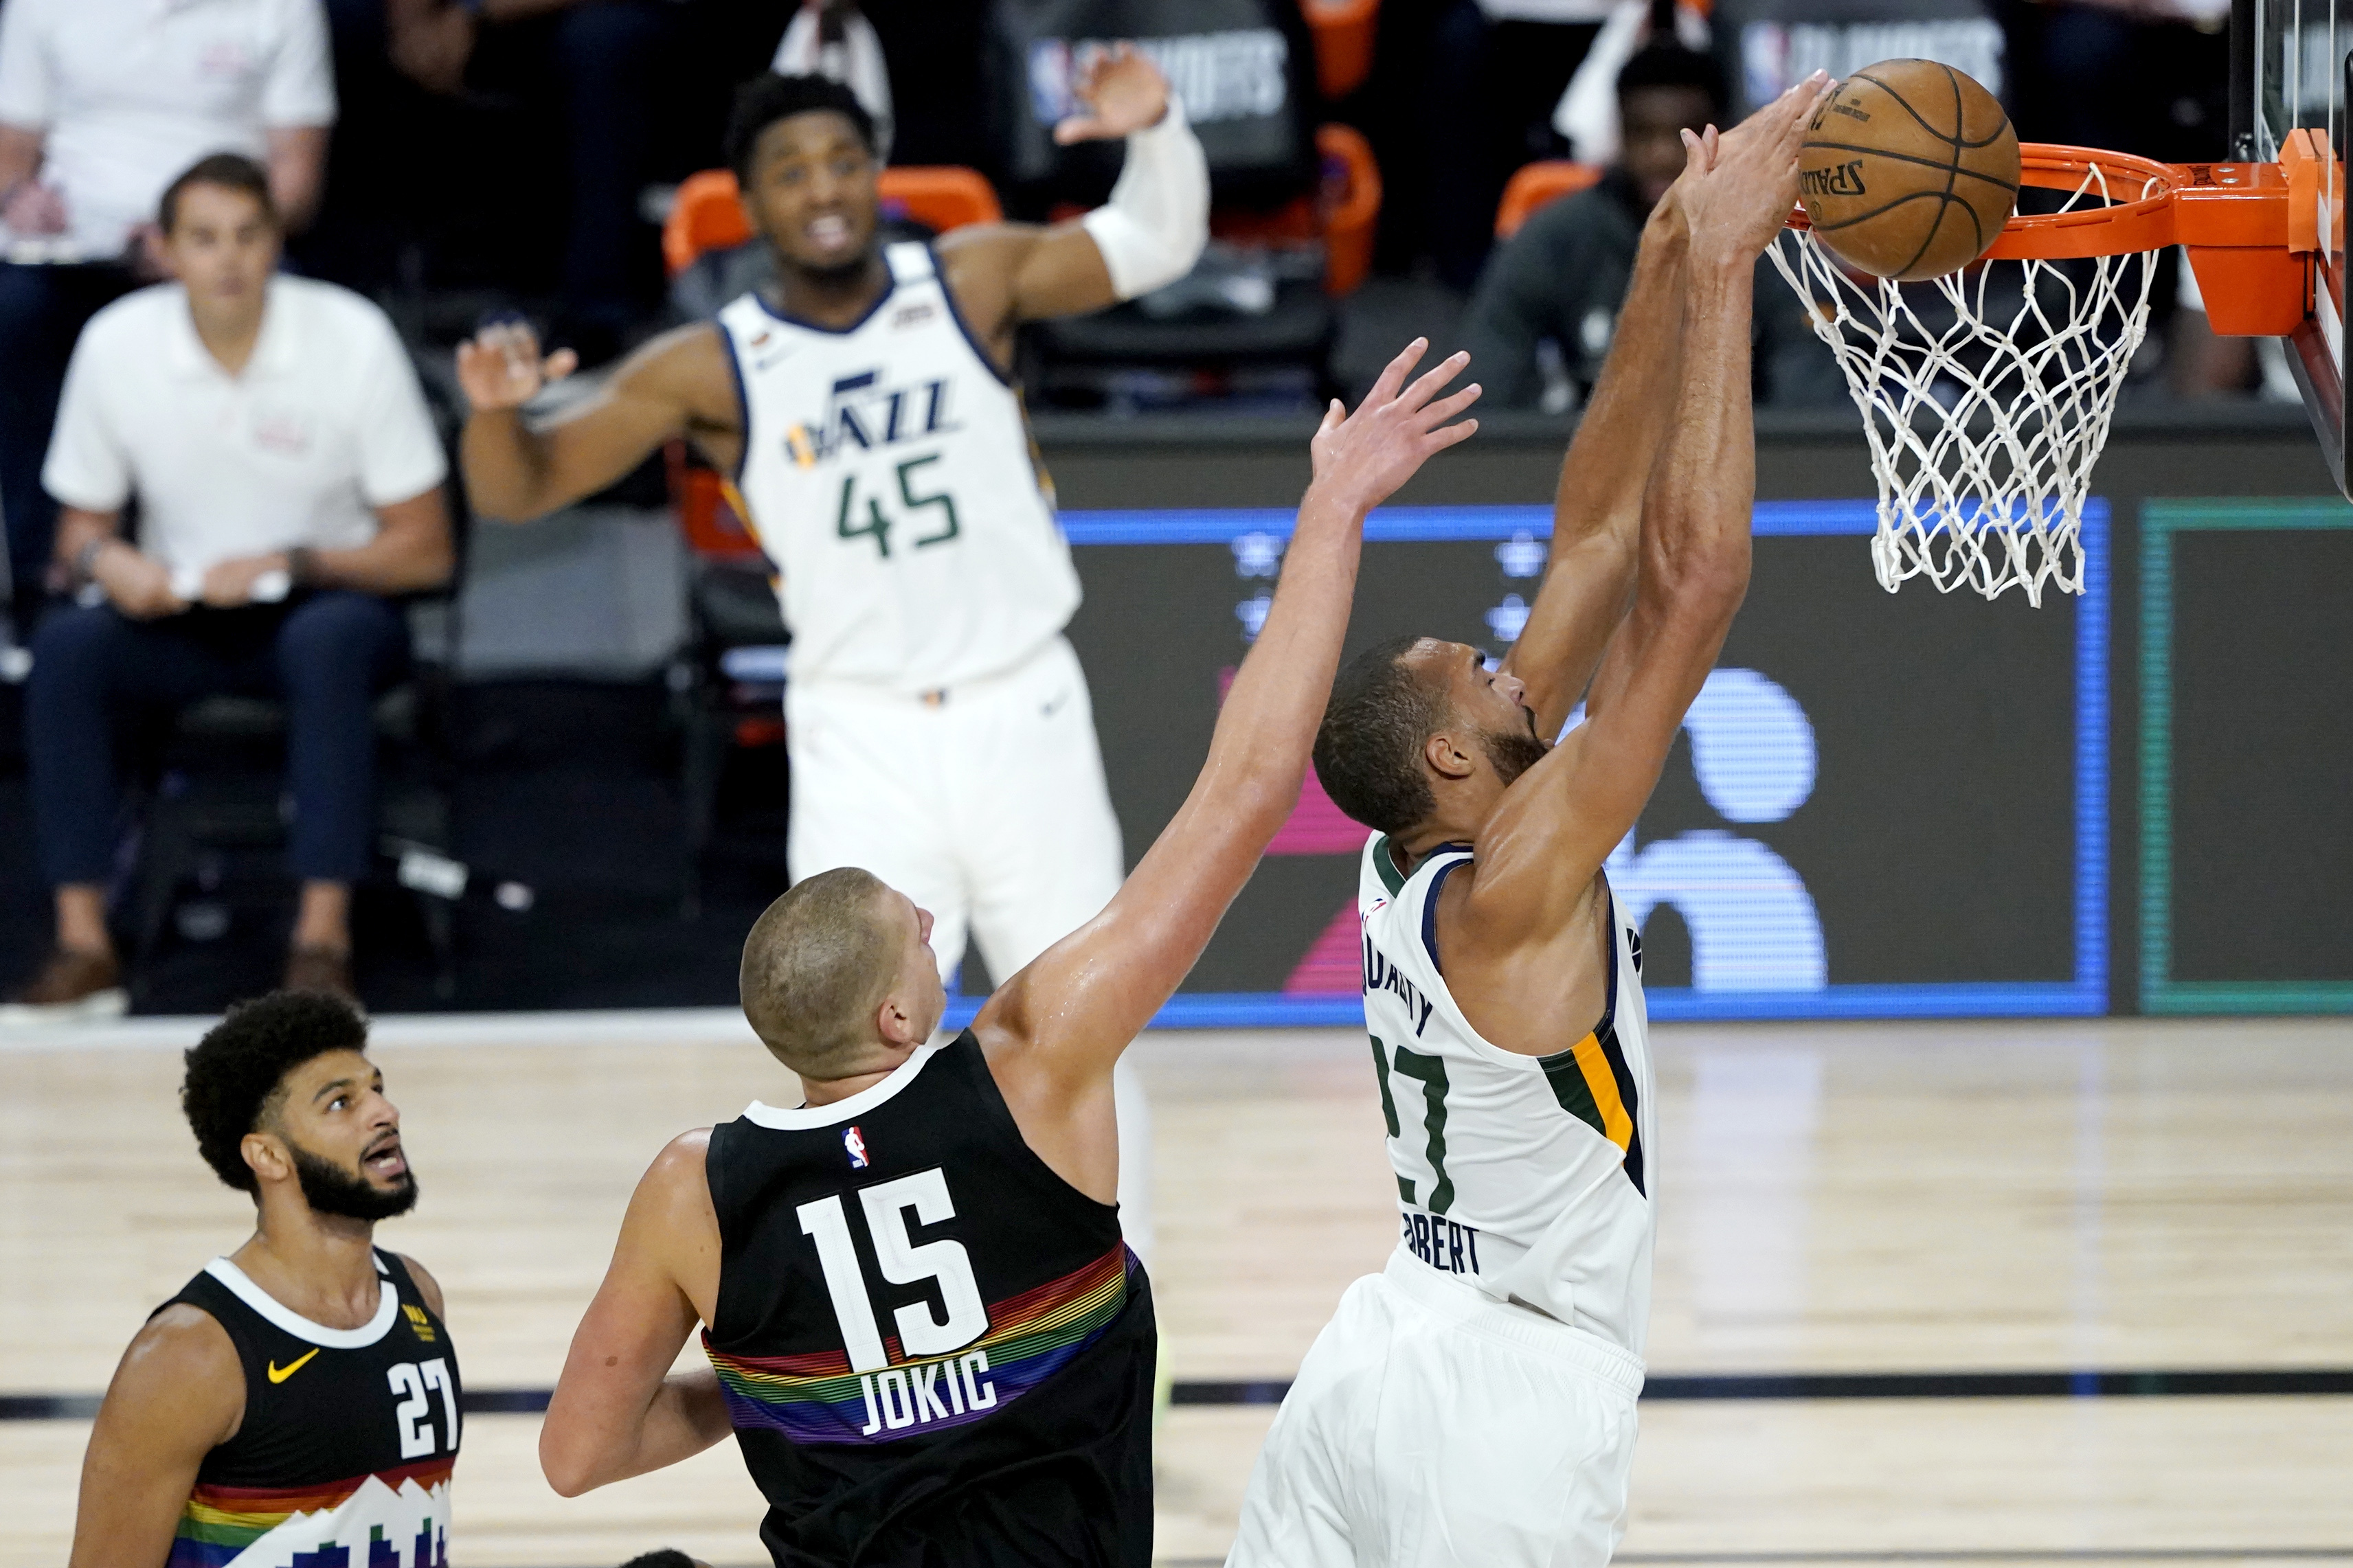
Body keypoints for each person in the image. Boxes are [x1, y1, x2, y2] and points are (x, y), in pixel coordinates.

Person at [534, 341, 1479, 1564]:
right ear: (891, 1018)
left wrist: (792, 1384)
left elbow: (576, 1455)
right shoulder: (1032, 1061)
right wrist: (1334, 508)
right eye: (911, 929)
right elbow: (1247, 789)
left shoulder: (688, 1187)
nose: (935, 922)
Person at [455, 61, 1208, 1266]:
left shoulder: (970, 276)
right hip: (862, 739)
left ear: (879, 173)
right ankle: (904, 1338)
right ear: (747, 202)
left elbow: (1157, 242)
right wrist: (494, 412)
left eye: (843, 162)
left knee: (1085, 1034)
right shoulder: (715, 361)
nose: (824, 191)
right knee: (861, 1063)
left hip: (1024, 712)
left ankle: (1125, 1329)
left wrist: (1156, 130)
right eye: (791, 171)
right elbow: (526, 484)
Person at [1226, 75, 1833, 1567]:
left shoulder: (1412, 857)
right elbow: (1686, 585)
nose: (1505, 662)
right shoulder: (1513, 883)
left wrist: (1652, 254)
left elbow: (1593, 538)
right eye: (1474, 671)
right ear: (1446, 750)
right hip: (1497, 1405)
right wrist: (1722, 271)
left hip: (1372, 1353)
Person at [1, 154, 455, 1021]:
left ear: (278, 243)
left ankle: (322, 943)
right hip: (183, 612)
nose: (228, 260)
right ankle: (83, 945)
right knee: (65, 647)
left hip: (330, 603)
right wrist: (110, 565)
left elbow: (426, 551)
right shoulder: (117, 343)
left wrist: (299, 561)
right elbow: (76, 535)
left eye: (248, 235)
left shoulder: (349, 334)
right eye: (203, 239)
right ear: (164, 250)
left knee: (326, 645)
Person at [66, 990, 460, 1568]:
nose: (384, 1111)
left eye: (377, 1088)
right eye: (339, 1103)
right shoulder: (191, 1353)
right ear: (268, 1156)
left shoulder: (416, 1296)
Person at [0, 0, 334, 633]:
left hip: (224, 243)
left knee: (284, 312)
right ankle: (47, 580)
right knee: (14, 317)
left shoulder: (282, 8)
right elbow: (11, 148)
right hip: (73, 246)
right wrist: (18, 197)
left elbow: (297, 179)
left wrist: (196, 240)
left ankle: (259, 579)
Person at [1459, 42, 1840, 411]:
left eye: (1685, 137)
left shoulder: (1775, 244)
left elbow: (1808, 406)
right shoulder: (1554, 238)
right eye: (1642, 133)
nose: (1661, 156)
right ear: (1618, 134)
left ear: (1724, 133)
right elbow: (1487, 388)